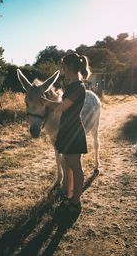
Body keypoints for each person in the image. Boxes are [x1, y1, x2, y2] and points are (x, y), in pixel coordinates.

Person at [42, 53, 90, 212]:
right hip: (68, 130)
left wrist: (44, 102)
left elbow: (62, 107)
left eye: (63, 67)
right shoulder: (71, 86)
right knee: (68, 164)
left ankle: (76, 202)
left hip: (74, 131)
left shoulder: (78, 87)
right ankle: (70, 196)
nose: (62, 71)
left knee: (76, 167)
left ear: (69, 67)